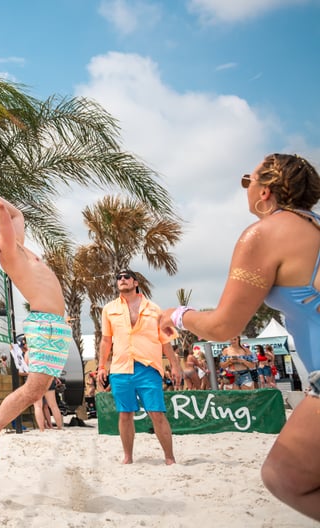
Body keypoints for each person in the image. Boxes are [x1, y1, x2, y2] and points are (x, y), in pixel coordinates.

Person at [160, 153, 320, 521]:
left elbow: (223, 327)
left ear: (264, 192)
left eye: (248, 181)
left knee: (284, 476)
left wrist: (178, 315)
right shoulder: (314, 226)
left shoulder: (263, 235)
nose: (246, 190)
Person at [0, 179, 71, 474]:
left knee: (37, 389)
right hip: (45, 324)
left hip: (56, 324)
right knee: (33, 390)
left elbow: (15, 215)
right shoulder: (7, 250)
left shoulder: (15, 244)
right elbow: (3, 214)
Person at [97, 269, 182, 465]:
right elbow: (106, 340)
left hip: (148, 367)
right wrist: (102, 367)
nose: (122, 280)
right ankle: (128, 457)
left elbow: (166, 341)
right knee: (125, 414)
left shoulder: (154, 309)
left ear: (136, 282)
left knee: (157, 413)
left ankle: (170, 458)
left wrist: (175, 366)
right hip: (120, 368)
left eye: (126, 277)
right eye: (118, 278)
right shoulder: (109, 309)